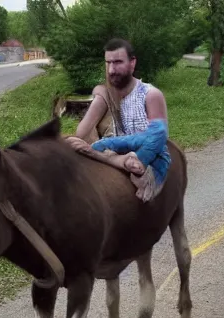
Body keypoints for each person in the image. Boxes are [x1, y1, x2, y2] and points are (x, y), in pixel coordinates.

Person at [66, 38, 171, 202]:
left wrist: (138, 158)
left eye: (118, 62)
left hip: (148, 157)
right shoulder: (109, 95)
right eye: (108, 63)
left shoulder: (150, 94)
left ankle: (98, 154)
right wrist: (100, 99)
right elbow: (82, 132)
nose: (112, 69)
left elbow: (158, 136)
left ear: (132, 63)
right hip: (121, 155)